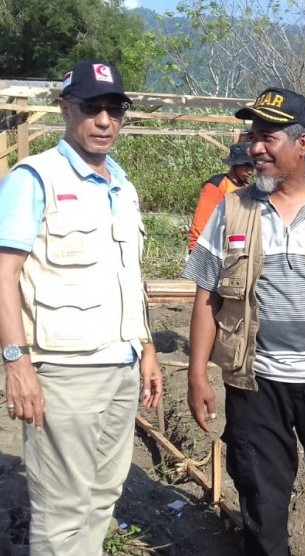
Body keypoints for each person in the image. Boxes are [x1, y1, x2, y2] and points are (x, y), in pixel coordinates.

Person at [183, 86, 305, 555]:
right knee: (262, 501)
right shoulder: (231, 209)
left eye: (268, 137)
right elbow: (206, 297)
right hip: (256, 385)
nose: (255, 147)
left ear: (302, 144)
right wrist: (196, 374)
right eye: (254, 136)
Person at [0, 60, 162, 555]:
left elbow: (128, 277)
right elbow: (3, 273)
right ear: (66, 108)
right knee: (62, 510)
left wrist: (148, 347)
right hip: (64, 372)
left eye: (115, 110)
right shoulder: (34, 179)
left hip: (120, 366)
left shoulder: (122, 186)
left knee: (101, 497)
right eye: (93, 109)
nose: (105, 121)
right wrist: (16, 361)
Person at [187, 141, 254, 252]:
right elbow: (201, 220)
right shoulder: (217, 184)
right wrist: (194, 249)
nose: (250, 171)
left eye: (252, 166)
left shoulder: (247, 188)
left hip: (236, 248)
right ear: (235, 164)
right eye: (246, 165)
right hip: (214, 246)